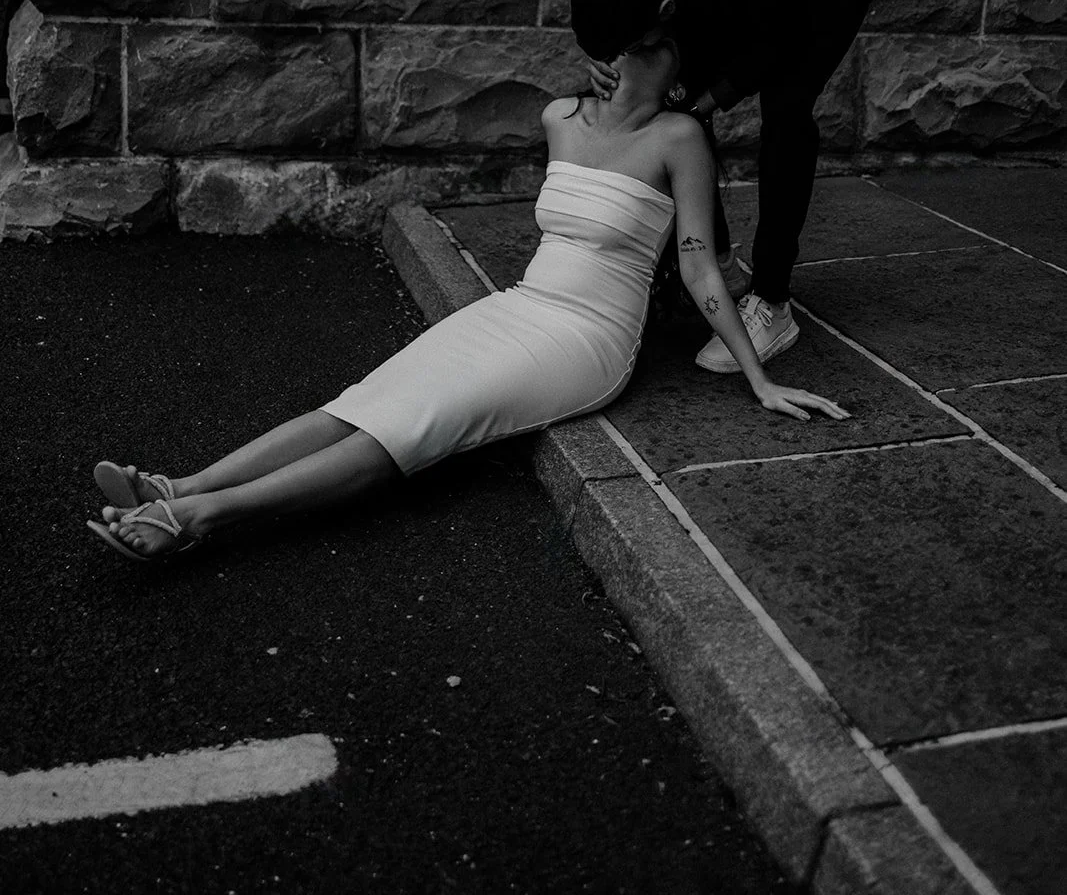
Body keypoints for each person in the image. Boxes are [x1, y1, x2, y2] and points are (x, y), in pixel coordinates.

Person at [88, 29, 848, 563]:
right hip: (519, 305)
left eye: (645, 46)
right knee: (359, 401)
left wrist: (759, 376)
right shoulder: (559, 116)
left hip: (586, 340)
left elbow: (699, 264)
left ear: (675, 76)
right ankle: (177, 482)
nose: (619, 54)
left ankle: (197, 518)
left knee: (412, 425)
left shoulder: (679, 137)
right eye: (616, 41)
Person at [571, 0, 883, 373]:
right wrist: (603, 62)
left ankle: (772, 301)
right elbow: (613, 30)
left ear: (666, 12)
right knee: (672, 96)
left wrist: (703, 102)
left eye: (635, 42)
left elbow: (777, 45)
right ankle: (717, 264)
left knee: (786, 104)